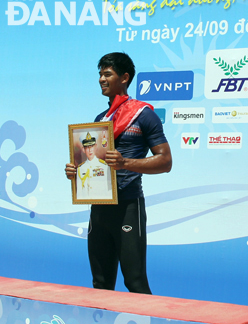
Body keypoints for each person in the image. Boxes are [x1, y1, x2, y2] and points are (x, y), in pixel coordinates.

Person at [65, 52, 172, 294]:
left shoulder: (144, 115)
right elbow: (92, 164)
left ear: (124, 78)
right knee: (100, 284)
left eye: (107, 74)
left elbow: (165, 162)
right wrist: (76, 170)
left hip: (128, 207)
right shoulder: (100, 120)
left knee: (135, 282)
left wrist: (126, 163)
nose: (102, 79)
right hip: (99, 208)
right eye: (100, 75)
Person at [76, 132, 112, 200]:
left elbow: (109, 190)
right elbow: (79, 193)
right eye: (87, 147)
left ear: (96, 147)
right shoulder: (80, 169)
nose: (90, 150)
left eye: (92, 146)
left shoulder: (104, 166)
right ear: (83, 150)